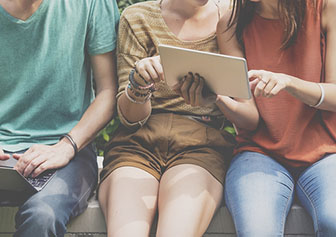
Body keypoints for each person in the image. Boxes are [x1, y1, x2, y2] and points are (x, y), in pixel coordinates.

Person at [0, 0, 119, 235]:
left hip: (67, 153)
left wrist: (66, 147)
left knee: (43, 217)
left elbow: (109, 92)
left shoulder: (92, 4)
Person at [97, 0, 256, 236]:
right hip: (137, 145)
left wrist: (216, 98)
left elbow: (249, 119)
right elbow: (129, 118)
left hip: (201, 147)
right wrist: (139, 84)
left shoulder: (230, 20)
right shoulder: (137, 18)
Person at [217, 0, 336, 236]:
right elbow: (250, 118)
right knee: (258, 231)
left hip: (327, 150)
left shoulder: (330, 5)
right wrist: (217, 98)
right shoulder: (231, 21)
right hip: (259, 152)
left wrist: (288, 82)